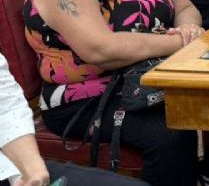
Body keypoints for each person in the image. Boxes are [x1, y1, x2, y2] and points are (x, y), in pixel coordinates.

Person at [18, 0, 202, 186]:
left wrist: (189, 28)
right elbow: (100, 50)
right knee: (171, 133)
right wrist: (176, 43)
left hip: (148, 76)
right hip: (86, 96)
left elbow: (185, 7)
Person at [0, 51, 150, 186]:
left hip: (10, 171)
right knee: (161, 136)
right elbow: (100, 49)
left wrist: (31, 169)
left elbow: (6, 105)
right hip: (73, 100)